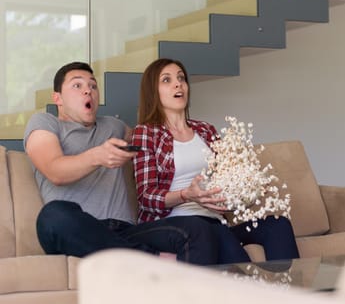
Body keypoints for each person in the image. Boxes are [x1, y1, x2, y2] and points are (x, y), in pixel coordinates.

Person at [24, 61, 219, 265]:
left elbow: (153, 138)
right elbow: (56, 171)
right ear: (58, 98)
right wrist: (98, 156)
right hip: (79, 233)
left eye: (93, 85)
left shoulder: (113, 126)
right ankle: (151, 260)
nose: (88, 91)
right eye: (77, 85)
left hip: (126, 233)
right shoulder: (45, 123)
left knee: (196, 228)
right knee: (53, 216)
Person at [131, 58, 299, 264]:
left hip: (216, 221)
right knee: (215, 235)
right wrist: (187, 195)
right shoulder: (146, 132)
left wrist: (241, 193)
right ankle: (249, 291)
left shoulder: (206, 130)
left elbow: (225, 180)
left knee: (277, 224)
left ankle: (291, 293)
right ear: (153, 91)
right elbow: (146, 196)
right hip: (179, 225)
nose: (178, 84)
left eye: (181, 78)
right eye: (166, 80)